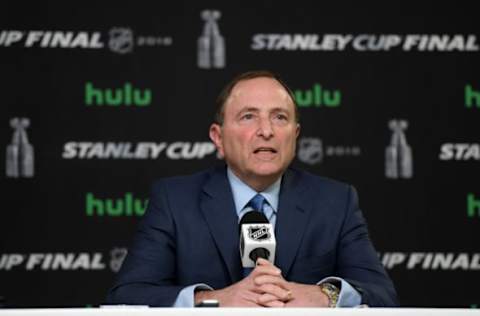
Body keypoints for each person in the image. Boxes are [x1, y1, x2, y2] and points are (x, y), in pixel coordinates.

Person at [106, 70, 398, 307]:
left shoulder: (336, 201)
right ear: (218, 137)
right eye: (249, 116)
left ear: (295, 135)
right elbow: (128, 295)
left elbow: (382, 295)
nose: (267, 130)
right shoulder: (174, 201)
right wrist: (215, 301)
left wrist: (324, 296)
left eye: (279, 117)